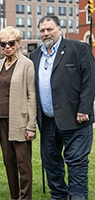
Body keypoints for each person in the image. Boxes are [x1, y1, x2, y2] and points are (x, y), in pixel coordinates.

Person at [29, 15, 95, 200]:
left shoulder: (78, 49)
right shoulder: (35, 56)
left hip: (76, 119)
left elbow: (90, 81)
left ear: (60, 29)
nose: (45, 33)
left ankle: (77, 196)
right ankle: (58, 196)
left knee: (76, 162)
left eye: (49, 29)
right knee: (51, 163)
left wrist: (84, 109)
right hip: (48, 121)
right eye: (42, 30)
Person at [0, 26, 36, 200]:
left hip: (20, 120)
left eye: (11, 43)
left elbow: (31, 95)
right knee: (8, 161)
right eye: (3, 44)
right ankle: (14, 195)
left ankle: (25, 197)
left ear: (18, 43)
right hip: (2, 120)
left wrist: (31, 126)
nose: (7, 47)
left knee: (23, 164)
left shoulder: (27, 64)